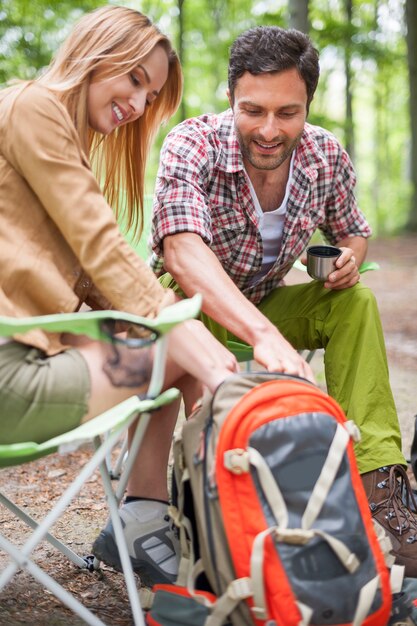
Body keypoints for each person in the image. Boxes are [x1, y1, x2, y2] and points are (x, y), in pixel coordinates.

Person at [150, 26, 417, 577]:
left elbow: (352, 231)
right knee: (181, 309)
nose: (270, 130)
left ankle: (378, 495)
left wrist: (348, 256)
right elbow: (181, 252)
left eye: (287, 113)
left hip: (268, 307)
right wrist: (263, 335)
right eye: (253, 111)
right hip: (189, 317)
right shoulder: (191, 144)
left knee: (356, 303)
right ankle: (198, 500)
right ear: (230, 98)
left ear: (308, 105)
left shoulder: (324, 155)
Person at [0, 5, 237, 588]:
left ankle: (144, 519)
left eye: (149, 95)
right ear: (96, 51)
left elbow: (96, 278)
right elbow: (104, 248)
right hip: (10, 380)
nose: (136, 104)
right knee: (183, 350)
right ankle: (156, 523)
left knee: (170, 337)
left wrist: (176, 316)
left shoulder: (47, 133)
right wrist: (214, 363)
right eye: (134, 78)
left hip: (22, 366)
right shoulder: (31, 105)